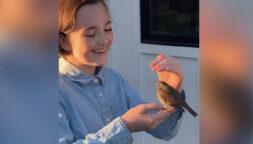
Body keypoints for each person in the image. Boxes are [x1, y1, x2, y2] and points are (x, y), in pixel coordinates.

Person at [58, 0, 185, 143]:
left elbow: (164, 131)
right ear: (64, 41)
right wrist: (123, 126)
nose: (103, 40)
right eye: (91, 34)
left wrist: (173, 91)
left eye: (107, 29)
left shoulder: (114, 79)